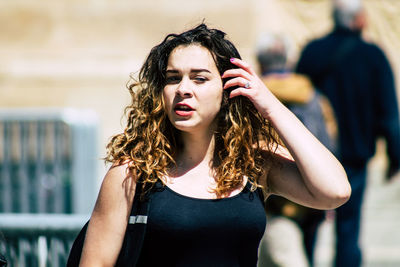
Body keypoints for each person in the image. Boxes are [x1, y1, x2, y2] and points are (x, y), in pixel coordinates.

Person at [79, 23, 351, 266]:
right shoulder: (133, 172)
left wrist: (270, 105)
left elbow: (335, 191)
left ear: (227, 90)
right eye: (173, 78)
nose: (183, 89)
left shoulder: (253, 163)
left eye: (199, 78)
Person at [296, 0, 400, 266]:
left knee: (308, 222)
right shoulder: (373, 55)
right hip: (355, 156)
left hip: (314, 154)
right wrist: (394, 157)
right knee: (349, 226)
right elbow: (389, 113)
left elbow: (296, 101)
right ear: (360, 20)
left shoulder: (312, 52)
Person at [256, 33, 337, 267]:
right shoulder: (312, 97)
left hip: (274, 202)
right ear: (288, 61)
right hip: (312, 197)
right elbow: (328, 143)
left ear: (260, 62)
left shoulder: (254, 98)